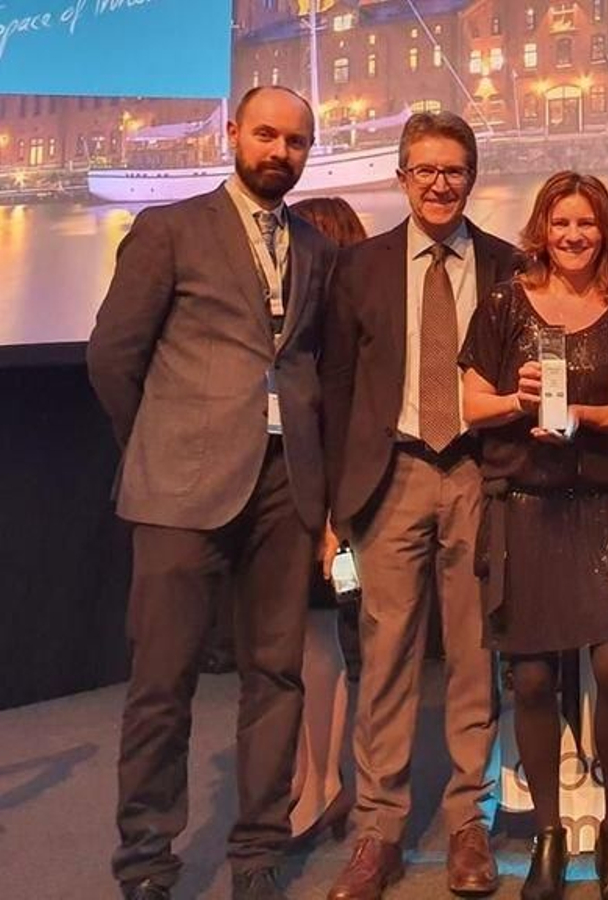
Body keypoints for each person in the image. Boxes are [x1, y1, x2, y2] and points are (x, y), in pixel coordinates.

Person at [87, 85, 337, 900]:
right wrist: (157, 445)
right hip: (178, 491)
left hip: (285, 484)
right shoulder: (168, 229)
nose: (280, 153)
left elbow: (311, 366)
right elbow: (113, 357)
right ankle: (147, 863)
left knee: (277, 677)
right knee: (163, 682)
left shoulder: (315, 246)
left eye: (296, 142)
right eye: (267, 135)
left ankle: (259, 851)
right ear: (234, 134)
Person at [320, 111, 521, 900]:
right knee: (386, 659)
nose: (440, 184)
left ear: (472, 177)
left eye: (455, 171)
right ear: (402, 177)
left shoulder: (507, 266)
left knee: (476, 654)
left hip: (477, 473)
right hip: (391, 477)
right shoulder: (358, 268)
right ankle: (379, 832)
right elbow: (335, 390)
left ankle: (471, 822)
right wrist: (338, 504)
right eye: (425, 170)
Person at [459, 171, 608, 900]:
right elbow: (472, 405)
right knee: (532, 680)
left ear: (606, 231)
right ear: (542, 228)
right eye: (562, 222)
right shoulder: (505, 304)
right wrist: (520, 400)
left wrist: (590, 416)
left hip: (604, 505)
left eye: (589, 223)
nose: (575, 235)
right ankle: (548, 835)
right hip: (526, 506)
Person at [285, 196, 369, 844]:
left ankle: (320, 786)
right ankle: (314, 783)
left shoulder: (338, 334)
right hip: (291, 499)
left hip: (334, 508)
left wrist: (335, 519)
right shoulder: (296, 326)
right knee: (309, 645)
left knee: (322, 643)